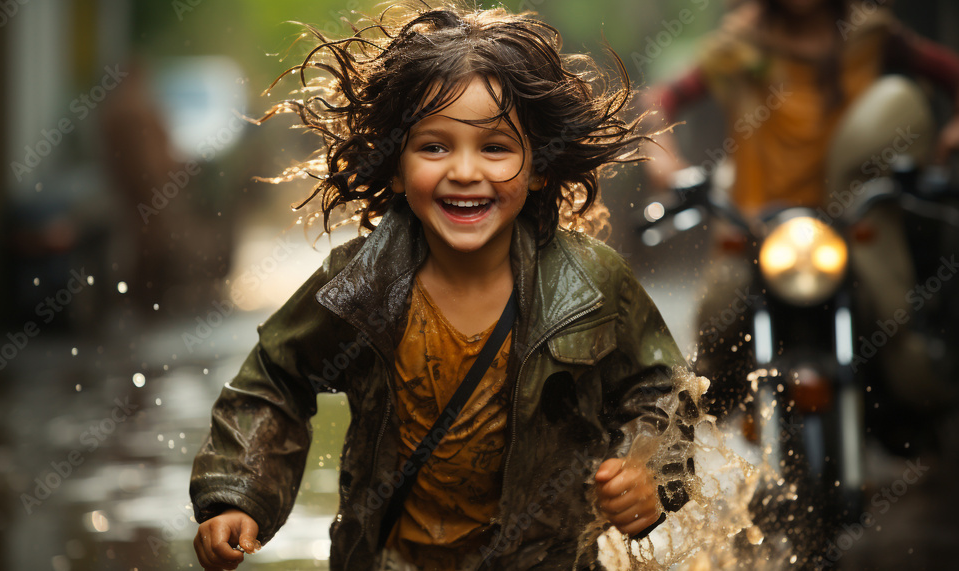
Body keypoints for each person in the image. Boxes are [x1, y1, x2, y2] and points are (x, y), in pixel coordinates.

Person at [190, 3, 700, 570]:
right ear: (396, 164)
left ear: (540, 168)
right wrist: (238, 495)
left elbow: (665, 388)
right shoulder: (358, 284)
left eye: (495, 147)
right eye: (434, 146)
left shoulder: (592, 284)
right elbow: (275, 381)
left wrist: (648, 468)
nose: (463, 170)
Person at [641, 0, 959, 414]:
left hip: (854, 222)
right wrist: (667, 164)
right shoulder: (740, 43)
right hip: (760, 227)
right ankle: (703, 439)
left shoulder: (871, 35)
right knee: (715, 338)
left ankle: (927, 430)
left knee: (896, 330)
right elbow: (659, 100)